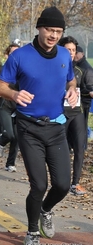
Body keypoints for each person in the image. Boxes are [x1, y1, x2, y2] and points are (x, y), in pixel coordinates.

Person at [0, 6, 78, 245]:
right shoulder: (20, 56)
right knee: (39, 185)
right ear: (39, 28)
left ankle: (45, 209)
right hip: (29, 128)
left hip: (56, 128)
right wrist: (14, 93)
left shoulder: (64, 55)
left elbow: (70, 78)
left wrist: (72, 88)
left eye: (58, 31)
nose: (53, 35)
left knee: (63, 184)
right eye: (49, 29)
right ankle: (31, 232)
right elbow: (0, 86)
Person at [58, 36, 87, 196]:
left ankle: (75, 183)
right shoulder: (55, 68)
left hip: (76, 113)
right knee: (60, 149)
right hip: (60, 114)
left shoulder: (79, 71)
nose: (71, 53)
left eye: (73, 50)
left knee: (80, 148)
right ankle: (60, 180)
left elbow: (86, 90)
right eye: (68, 49)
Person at [0, 43, 20, 172]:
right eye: (12, 53)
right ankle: (1, 142)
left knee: (17, 136)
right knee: (10, 134)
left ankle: (10, 163)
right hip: (5, 106)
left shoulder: (23, 71)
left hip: (19, 107)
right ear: (7, 55)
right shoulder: (1, 70)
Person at [74, 46, 93, 148]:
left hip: (84, 103)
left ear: (82, 54)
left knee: (82, 126)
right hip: (76, 102)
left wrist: (82, 92)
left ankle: (83, 146)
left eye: (76, 52)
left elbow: (90, 88)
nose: (75, 54)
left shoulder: (87, 69)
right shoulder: (76, 66)